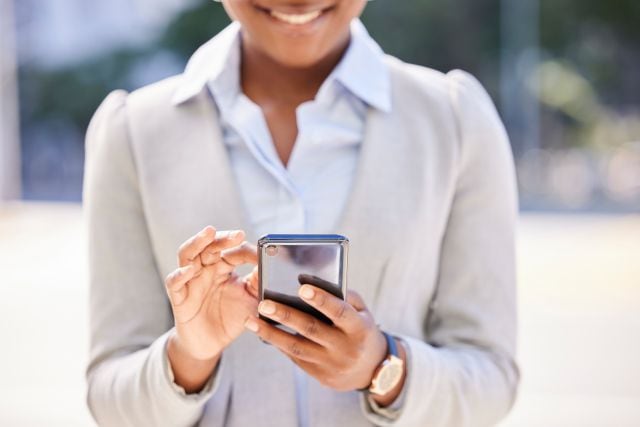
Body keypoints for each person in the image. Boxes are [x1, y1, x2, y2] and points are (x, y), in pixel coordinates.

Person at [84, 0, 519, 426]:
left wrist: (384, 368)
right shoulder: (132, 133)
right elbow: (109, 397)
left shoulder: (454, 120)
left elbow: (491, 376)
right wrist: (188, 356)